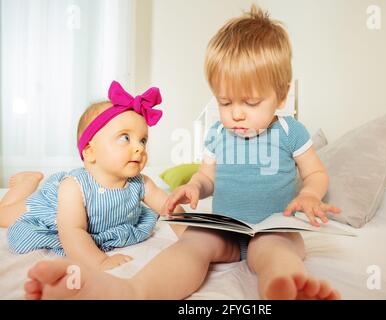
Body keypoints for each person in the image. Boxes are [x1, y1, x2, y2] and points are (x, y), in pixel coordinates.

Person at [24, 5, 341, 300]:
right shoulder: (218, 133)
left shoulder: (291, 132)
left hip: (272, 230)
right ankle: (135, 291)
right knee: (192, 244)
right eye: (225, 102)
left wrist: (312, 194)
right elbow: (207, 178)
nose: (237, 114)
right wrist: (193, 187)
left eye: (251, 102)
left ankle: (283, 288)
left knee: (276, 254)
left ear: (281, 95)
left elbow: (315, 173)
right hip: (227, 228)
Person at [1, 81, 185, 271]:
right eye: (125, 138)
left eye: (143, 140)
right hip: (52, 210)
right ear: (90, 151)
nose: (139, 147)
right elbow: (73, 231)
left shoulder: (142, 183)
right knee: (2, 214)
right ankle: (25, 184)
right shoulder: (73, 187)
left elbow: (169, 207)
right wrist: (100, 261)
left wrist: (192, 236)